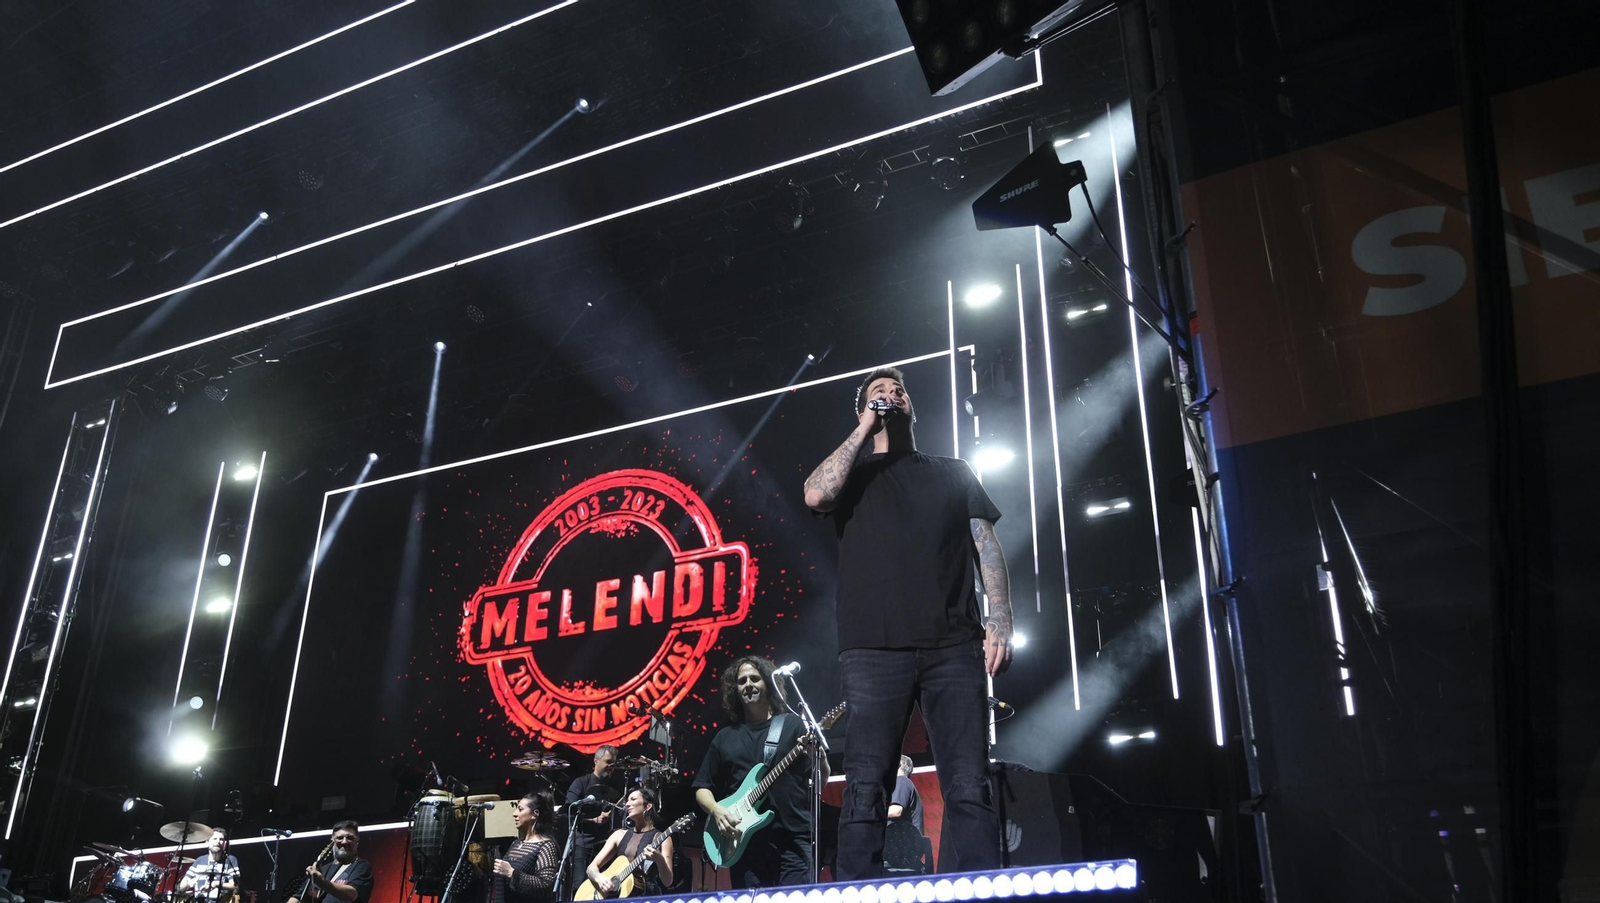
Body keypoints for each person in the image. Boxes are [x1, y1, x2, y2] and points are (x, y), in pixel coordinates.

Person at [803, 366, 1013, 879]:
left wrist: (1000, 617)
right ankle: (857, 889)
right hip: (873, 649)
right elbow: (814, 495)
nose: (891, 395)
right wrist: (863, 429)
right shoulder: (852, 476)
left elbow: (986, 546)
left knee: (968, 779)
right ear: (863, 408)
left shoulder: (953, 470)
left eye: (898, 390)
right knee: (865, 783)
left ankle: (981, 887)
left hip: (953, 645)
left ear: (911, 405)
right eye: (879, 392)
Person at [692, 655, 827, 888]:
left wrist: (820, 758)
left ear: (769, 684)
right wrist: (717, 810)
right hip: (746, 843)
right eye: (742, 681)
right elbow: (702, 787)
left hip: (792, 838)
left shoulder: (792, 725)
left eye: (755, 678)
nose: (748, 685)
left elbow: (819, 782)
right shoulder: (725, 736)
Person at [582, 788, 675, 897]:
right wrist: (599, 878)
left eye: (633, 799)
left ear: (648, 806)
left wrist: (660, 860)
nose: (627, 804)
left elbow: (667, 881)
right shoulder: (619, 835)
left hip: (647, 895)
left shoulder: (662, 838)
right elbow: (591, 868)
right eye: (627, 801)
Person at [564, 746, 621, 895]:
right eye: (608, 762)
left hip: (606, 843)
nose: (611, 767)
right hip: (584, 840)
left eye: (613, 764)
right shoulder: (581, 783)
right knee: (581, 884)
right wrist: (594, 819)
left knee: (607, 884)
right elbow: (568, 812)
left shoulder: (615, 786)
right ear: (596, 761)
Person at [493, 790, 560, 903]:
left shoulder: (546, 845)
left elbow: (546, 886)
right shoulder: (516, 844)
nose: (514, 814)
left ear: (535, 814)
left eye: (520, 809)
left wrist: (512, 873)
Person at [287, 820, 373, 903]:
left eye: (350, 838)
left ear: (357, 841)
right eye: (339, 838)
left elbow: (351, 895)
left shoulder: (361, 866)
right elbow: (297, 897)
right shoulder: (322, 870)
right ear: (332, 842)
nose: (344, 842)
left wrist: (321, 881)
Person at [177, 828, 239, 903]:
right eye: (214, 839)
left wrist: (216, 884)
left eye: (221, 839)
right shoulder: (199, 860)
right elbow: (185, 882)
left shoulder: (230, 860)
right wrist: (186, 884)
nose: (218, 842)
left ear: (224, 844)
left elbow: (236, 885)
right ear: (207, 842)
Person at [889, 756, 924, 835]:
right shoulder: (905, 783)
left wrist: (869, 814)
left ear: (899, 765)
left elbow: (896, 811)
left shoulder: (901, 780)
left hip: (903, 844)